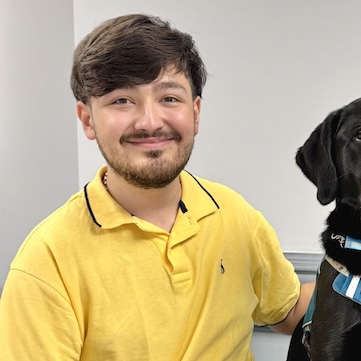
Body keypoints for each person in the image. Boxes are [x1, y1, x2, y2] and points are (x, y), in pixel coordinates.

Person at [0, 13, 313, 361]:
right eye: (121, 100)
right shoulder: (47, 261)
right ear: (87, 119)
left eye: (169, 98)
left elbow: (289, 310)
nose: (150, 122)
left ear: (195, 114)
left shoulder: (235, 215)